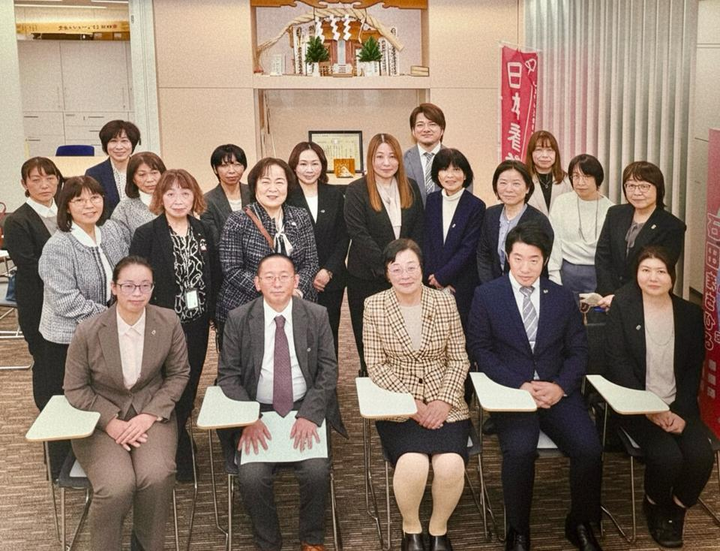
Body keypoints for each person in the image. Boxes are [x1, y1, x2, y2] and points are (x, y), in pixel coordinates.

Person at [467, 224, 603, 551]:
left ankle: (580, 522)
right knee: (520, 451)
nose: (526, 268)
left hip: (557, 391)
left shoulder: (562, 297)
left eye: (534, 260)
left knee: (589, 449)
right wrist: (519, 384)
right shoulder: (487, 295)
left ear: (545, 260)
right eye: (518, 258)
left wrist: (560, 386)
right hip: (513, 392)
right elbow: (481, 349)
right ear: (507, 257)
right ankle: (518, 529)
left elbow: (578, 351)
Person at [217, 253, 347, 551]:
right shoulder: (238, 318)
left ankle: (311, 539)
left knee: (316, 471)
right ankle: (268, 543)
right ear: (257, 283)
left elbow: (329, 370)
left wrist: (310, 414)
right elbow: (228, 376)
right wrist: (248, 418)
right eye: (269, 277)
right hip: (258, 410)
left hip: (304, 405)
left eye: (284, 276)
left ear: (296, 281)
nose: (277, 283)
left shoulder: (316, 315)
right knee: (252, 477)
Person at [63, 255, 190, 551]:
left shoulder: (168, 321)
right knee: (117, 486)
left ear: (153, 288)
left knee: (157, 476)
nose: (137, 293)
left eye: (145, 286)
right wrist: (110, 421)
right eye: (129, 285)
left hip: (150, 412)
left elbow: (178, 374)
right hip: (100, 419)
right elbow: (75, 388)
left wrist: (150, 415)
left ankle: (145, 545)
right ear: (114, 288)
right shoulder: (88, 330)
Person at [604, 247, 714, 548]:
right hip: (636, 405)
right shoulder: (624, 308)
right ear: (636, 274)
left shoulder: (690, 314)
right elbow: (617, 364)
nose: (653, 278)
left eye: (661, 271)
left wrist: (680, 412)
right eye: (646, 270)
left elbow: (692, 368)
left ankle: (676, 510)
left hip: (678, 404)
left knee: (702, 457)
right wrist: (649, 409)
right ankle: (653, 504)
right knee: (668, 458)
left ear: (672, 276)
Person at [364, 239, 470, 551]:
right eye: (396, 268)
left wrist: (444, 400)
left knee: (450, 464)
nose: (405, 275)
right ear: (387, 273)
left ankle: (438, 530)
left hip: (445, 401)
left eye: (411, 267)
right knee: (413, 464)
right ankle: (411, 528)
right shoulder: (374, 305)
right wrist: (411, 403)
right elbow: (376, 365)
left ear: (422, 269)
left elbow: (459, 358)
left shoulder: (444, 302)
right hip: (399, 404)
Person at [130, 168, 220, 481]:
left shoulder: (203, 229)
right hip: (162, 325)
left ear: (195, 196)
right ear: (160, 197)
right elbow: (137, 281)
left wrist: (213, 314)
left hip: (197, 324)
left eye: (185, 193)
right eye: (170, 193)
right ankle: (174, 447)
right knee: (167, 385)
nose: (178, 200)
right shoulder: (146, 234)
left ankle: (179, 435)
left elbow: (214, 273)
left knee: (190, 382)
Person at [38, 176, 128, 475]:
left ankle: (99, 457)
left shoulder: (112, 231)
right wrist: (109, 317)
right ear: (67, 206)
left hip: (105, 332)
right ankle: (62, 468)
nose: (89, 205)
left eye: (95, 198)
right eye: (79, 200)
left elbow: (126, 273)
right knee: (67, 401)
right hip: (67, 338)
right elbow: (65, 300)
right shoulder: (58, 245)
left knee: (98, 396)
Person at [345, 133, 424, 375]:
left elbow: (418, 229)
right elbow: (358, 233)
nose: (386, 162)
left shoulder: (410, 187)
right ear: (370, 159)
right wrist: (388, 268)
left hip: (404, 277)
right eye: (379, 157)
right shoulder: (356, 189)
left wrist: (403, 268)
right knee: (369, 337)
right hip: (366, 276)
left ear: (399, 159)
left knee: (403, 334)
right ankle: (370, 378)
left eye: (392, 156)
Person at [216, 158, 319, 342]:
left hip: (295, 304)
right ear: (255, 186)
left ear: (288, 186)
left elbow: (310, 263)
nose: (273, 188)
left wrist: (294, 291)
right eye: (265, 182)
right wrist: (272, 292)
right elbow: (232, 269)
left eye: (279, 182)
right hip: (246, 307)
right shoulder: (238, 220)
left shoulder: (300, 216)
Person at [4, 157, 63, 411]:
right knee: (44, 357)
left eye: (50, 178)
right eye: (36, 180)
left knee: (67, 358)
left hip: (65, 298)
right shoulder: (17, 220)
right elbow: (29, 265)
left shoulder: (66, 211)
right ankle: (47, 410)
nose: (44, 185)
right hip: (37, 300)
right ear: (24, 184)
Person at [595, 161, 686, 308]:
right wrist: (609, 293)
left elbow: (659, 271)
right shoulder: (615, 213)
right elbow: (602, 256)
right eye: (631, 185)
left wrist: (620, 298)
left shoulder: (672, 226)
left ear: (658, 188)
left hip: (646, 300)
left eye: (644, 186)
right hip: (607, 298)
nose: (637, 192)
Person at [287, 141, 349, 353]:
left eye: (315, 163)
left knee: (329, 332)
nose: (309, 169)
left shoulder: (335, 195)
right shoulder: (286, 196)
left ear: (322, 166)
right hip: (297, 280)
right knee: (300, 335)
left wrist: (328, 271)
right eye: (303, 164)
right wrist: (304, 275)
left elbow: (344, 237)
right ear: (294, 167)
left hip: (331, 279)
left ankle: (329, 374)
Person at [423, 148, 485, 330]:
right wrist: (433, 277)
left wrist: (443, 277)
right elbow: (427, 241)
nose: (450, 175)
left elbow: (468, 248)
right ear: (437, 174)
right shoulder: (431, 201)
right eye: (444, 169)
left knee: (460, 332)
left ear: (465, 175)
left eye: (456, 169)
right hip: (431, 282)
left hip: (461, 282)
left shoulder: (476, 205)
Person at [476, 160, 553, 285]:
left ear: (527, 188)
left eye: (516, 183)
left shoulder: (539, 221)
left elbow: (542, 261)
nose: (509, 189)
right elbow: (483, 254)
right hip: (492, 286)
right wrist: (491, 286)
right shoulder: (490, 214)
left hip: (526, 285)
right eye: (503, 183)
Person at [547, 154, 614, 299]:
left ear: (598, 179)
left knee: (594, 312)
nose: (580, 182)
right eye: (576, 176)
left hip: (598, 273)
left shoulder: (611, 209)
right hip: (567, 271)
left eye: (586, 176)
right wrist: (554, 276)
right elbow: (554, 242)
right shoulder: (561, 202)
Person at [85, 120, 141, 216]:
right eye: (113, 141)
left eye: (124, 141)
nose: (119, 147)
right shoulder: (94, 174)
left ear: (132, 144)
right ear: (105, 145)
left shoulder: (143, 171)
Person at [111, 151, 166, 247]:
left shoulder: (175, 202)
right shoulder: (124, 209)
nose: (149, 179)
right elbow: (120, 246)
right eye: (142, 175)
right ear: (133, 179)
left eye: (154, 173)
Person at [201, 144, 253, 245]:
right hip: (223, 253)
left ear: (244, 167)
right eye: (224, 165)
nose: (231, 171)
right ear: (215, 169)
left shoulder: (254, 193)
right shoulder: (207, 200)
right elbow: (213, 239)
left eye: (237, 165)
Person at [403, 103, 447, 205]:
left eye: (432, 124)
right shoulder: (402, 160)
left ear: (442, 130)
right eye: (420, 125)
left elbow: (466, 198)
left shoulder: (455, 160)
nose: (426, 129)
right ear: (413, 131)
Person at [525, 130, 572, 216]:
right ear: (531, 153)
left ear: (556, 154)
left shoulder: (567, 181)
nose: (545, 155)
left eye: (550, 150)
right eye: (539, 150)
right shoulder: (523, 180)